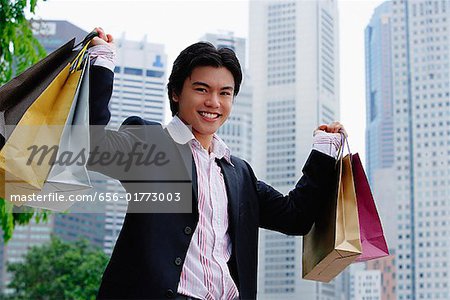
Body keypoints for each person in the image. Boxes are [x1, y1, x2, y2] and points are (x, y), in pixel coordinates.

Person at [88, 27, 346, 300]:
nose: (213, 102)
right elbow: (91, 147)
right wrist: (102, 62)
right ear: (176, 93)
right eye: (202, 89)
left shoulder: (239, 173)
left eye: (225, 93)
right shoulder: (150, 143)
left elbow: (296, 217)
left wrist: (324, 149)